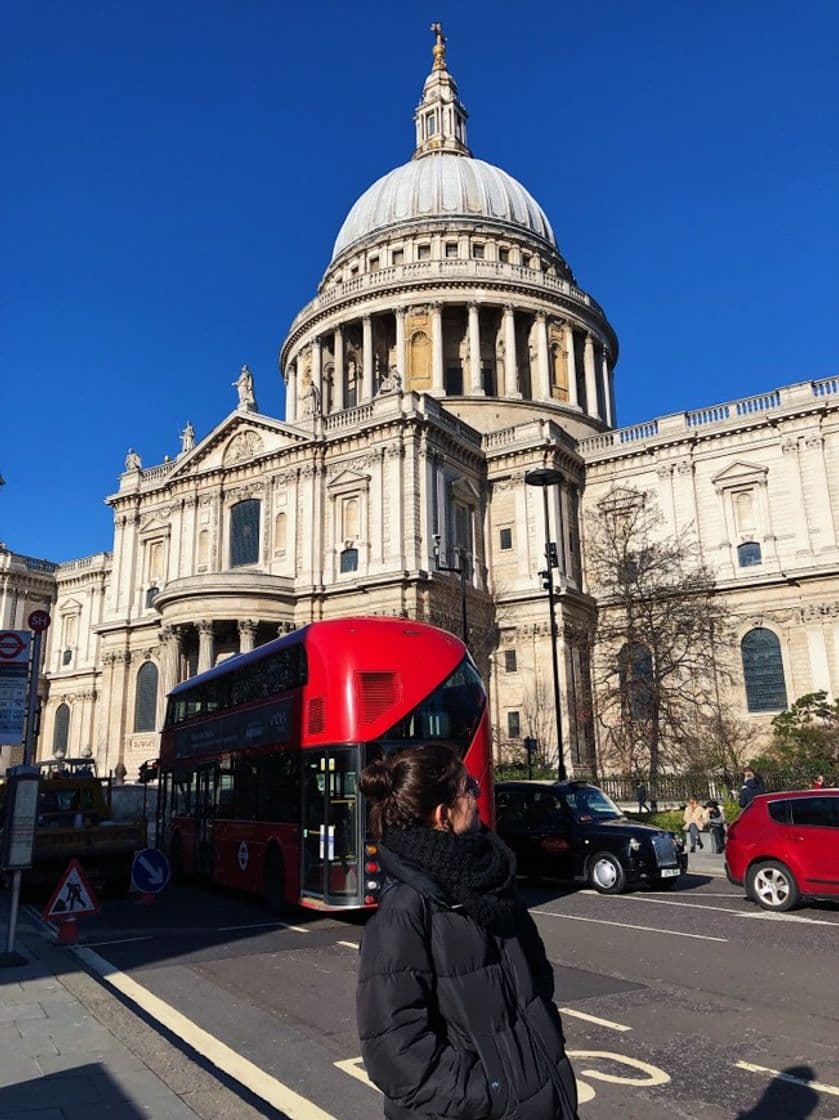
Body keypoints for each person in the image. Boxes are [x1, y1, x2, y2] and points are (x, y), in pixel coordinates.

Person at [357, 745, 579, 1120]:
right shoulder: (405, 910)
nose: (476, 795)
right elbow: (395, 1052)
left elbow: (535, 980)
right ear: (443, 815)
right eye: (467, 788)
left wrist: (544, 1041)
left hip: (541, 1094)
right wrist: (493, 1092)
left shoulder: (491, 877)